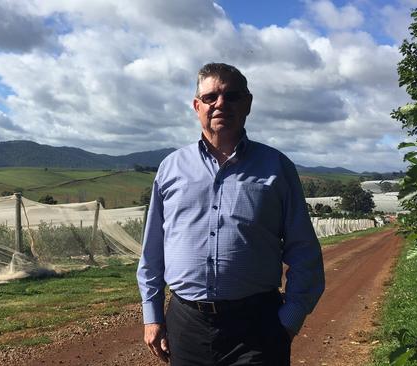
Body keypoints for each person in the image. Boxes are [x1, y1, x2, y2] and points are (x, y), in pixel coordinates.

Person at [136, 63, 325, 365]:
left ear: (247, 104)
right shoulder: (170, 168)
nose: (220, 104)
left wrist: (289, 320)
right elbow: (153, 251)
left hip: (257, 327)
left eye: (232, 96)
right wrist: (152, 315)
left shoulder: (277, 167)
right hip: (186, 326)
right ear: (197, 106)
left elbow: (304, 252)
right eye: (210, 97)